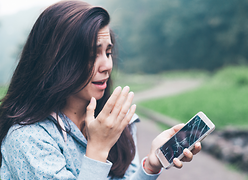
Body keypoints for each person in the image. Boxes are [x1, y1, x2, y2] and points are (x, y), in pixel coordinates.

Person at [0, 1, 202, 179]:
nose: (107, 65)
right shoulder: (27, 139)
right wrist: (98, 148)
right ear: (56, 60)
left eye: (108, 52)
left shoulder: (115, 124)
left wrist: (151, 165)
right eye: (91, 54)